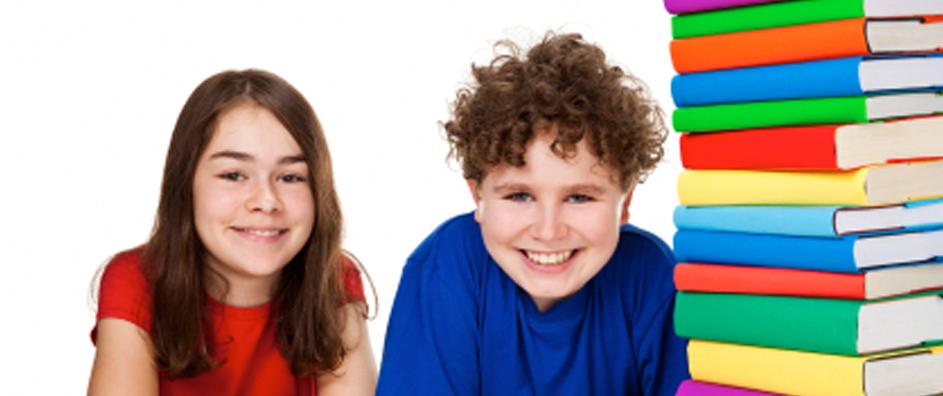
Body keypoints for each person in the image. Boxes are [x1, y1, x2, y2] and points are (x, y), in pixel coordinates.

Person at [377, 33, 688, 395]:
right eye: (520, 195)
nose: (548, 230)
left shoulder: (651, 276)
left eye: (580, 198)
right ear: (478, 196)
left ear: (626, 201)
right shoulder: (447, 265)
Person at [88, 70, 376, 396]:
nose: (266, 201)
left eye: (291, 177)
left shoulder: (334, 279)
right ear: (186, 184)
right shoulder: (135, 280)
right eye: (234, 175)